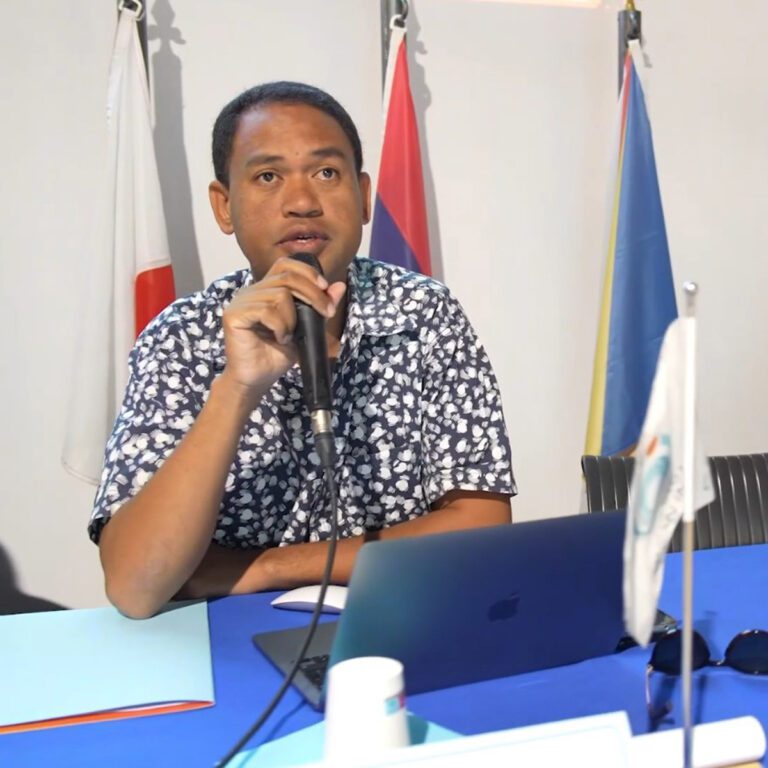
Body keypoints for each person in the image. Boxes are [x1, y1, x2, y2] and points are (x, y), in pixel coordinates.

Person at [90, 81, 516, 619]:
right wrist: (237, 388)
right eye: (268, 177)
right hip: (221, 639)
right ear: (224, 206)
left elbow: (479, 528)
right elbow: (134, 586)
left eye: (326, 173)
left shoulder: (424, 314)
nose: (302, 203)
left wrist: (268, 567)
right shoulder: (181, 336)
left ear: (364, 196)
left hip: (394, 624)